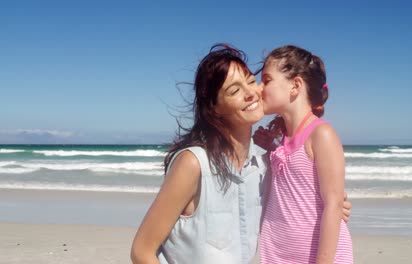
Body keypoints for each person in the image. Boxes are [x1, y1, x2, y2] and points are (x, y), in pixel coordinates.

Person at [130, 44, 351, 264]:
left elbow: (303, 194)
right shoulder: (194, 163)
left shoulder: (263, 164)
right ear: (214, 108)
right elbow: (142, 251)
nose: (254, 92)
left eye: (251, 81)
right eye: (235, 90)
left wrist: (333, 204)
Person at [258, 45, 353, 263]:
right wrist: (269, 147)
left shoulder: (322, 134)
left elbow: (333, 205)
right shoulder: (283, 139)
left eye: (267, 80)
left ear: (295, 85)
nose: (258, 88)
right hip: (280, 255)